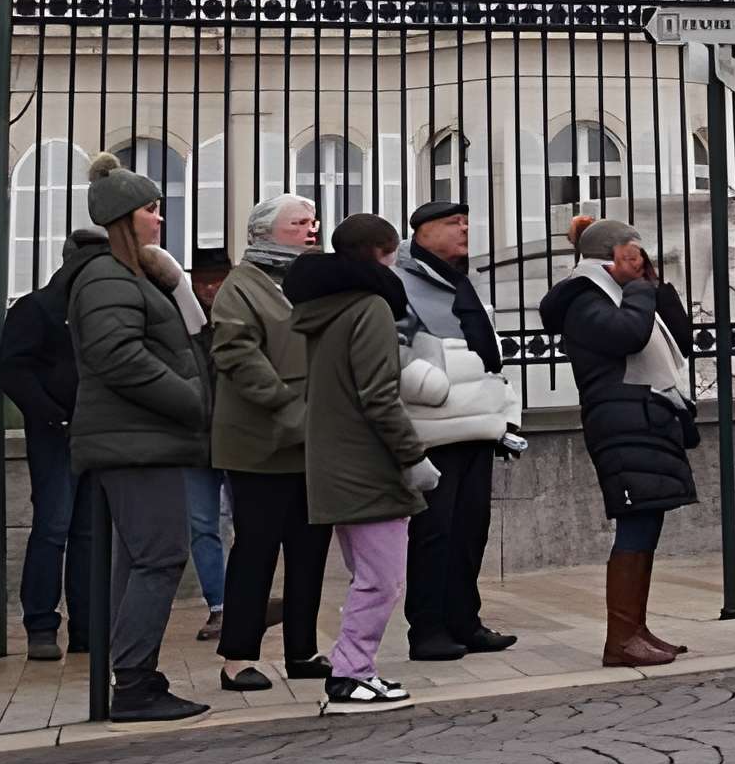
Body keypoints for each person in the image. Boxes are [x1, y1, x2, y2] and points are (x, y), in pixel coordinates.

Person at [64, 152, 212, 723]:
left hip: (140, 439)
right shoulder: (106, 275)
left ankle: (132, 675)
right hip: (135, 440)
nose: (160, 220)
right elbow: (116, 355)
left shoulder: (130, 275)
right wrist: (189, 399)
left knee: (143, 559)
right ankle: (133, 683)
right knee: (160, 557)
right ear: (127, 216)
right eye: (153, 210)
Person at [284, 214, 437, 714]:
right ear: (381, 253)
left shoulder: (325, 307)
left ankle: (355, 669)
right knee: (384, 577)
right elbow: (378, 394)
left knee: (369, 574)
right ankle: (351, 673)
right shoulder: (369, 307)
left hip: (335, 456)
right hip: (367, 461)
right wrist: (413, 457)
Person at [539, 217, 699, 668]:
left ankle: (636, 629)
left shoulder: (626, 293)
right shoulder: (583, 298)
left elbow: (681, 340)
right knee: (635, 523)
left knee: (647, 523)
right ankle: (621, 637)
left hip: (645, 419)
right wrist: (639, 290)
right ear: (613, 256)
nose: (643, 259)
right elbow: (626, 335)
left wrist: (653, 286)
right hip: (622, 419)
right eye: (636, 252)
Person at [205, 194, 330, 693]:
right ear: (264, 234)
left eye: (311, 222)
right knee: (256, 549)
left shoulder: (308, 283)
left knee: (310, 549)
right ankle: (237, 656)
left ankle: (303, 649)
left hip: (309, 442)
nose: (310, 230)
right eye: (298, 224)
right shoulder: (243, 285)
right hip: (259, 444)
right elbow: (236, 353)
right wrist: (285, 405)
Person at [395, 200, 518, 663]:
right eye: (452, 223)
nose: (465, 229)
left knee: (471, 528)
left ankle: (465, 621)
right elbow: (396, 353)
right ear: (423, 233)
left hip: (478, 423)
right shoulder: (402, 282)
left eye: (467, 221)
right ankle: (426, 629)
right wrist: (435, 388)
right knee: (434, 531)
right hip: (434, 428)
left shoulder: (464, 280)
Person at [0, 228, 102, 663]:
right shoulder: (37, 307)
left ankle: (86, 626)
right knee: (54, 528)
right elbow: (14, 370)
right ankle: (41, 623)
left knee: (88, 534)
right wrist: (54, 414)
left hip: (95, 432)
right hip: (59, 433)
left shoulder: (96, 306)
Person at [183, 246, 233, 643]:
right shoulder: (184, 325)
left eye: (217, 281)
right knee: (203, 525)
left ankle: (235, 600)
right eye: (203, 282)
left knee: (238, 524)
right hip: (198, 439)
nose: (210, 289)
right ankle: (219, 604)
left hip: (229, 437)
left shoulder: (236, 319)